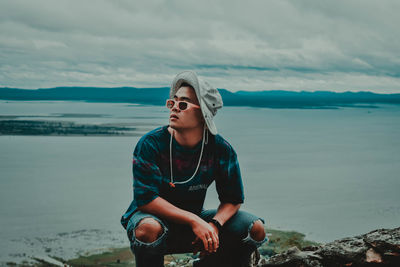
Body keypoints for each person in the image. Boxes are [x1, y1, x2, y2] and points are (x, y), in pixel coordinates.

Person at [121, 71, 268, 267]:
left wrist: (214, 225)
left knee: (255, 228)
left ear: (202, 114)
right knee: (148, 228)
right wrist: (194, 220)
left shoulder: (221, 149)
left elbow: (232, 199)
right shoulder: (151, 144)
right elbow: (146, 199)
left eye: (183, 104)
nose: (174, 109)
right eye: (172, 103)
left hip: (194, 223)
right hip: (153, 221)